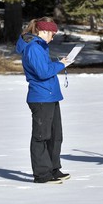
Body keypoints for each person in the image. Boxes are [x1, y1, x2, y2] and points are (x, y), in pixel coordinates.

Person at [16, 17, 71, 184]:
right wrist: (60, 65)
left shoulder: (40, 47)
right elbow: (42, 72)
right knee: (41, 136)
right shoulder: (34, 47)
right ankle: (42, 175)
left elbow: (45, 68)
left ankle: (54, 169)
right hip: (40, 97)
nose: (53, 38)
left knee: (55, 136)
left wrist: (58, 64)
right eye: (52, 34)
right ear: (42, 31)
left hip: (50, 95)